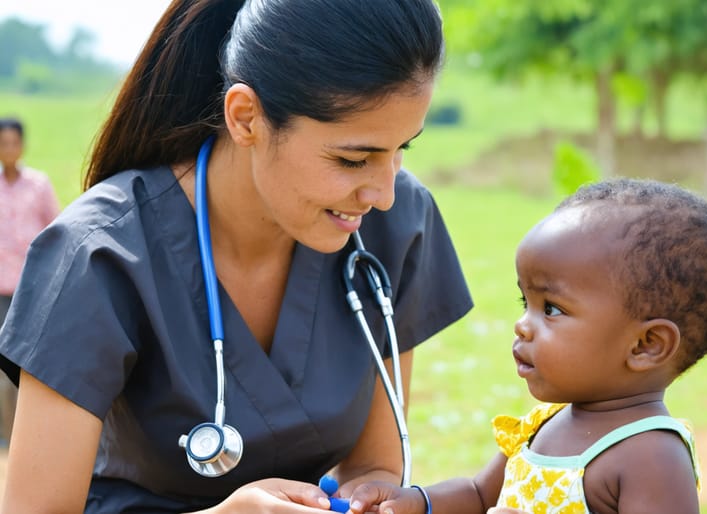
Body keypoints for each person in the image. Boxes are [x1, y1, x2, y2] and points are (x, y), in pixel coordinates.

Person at [0, 0, 473, 512]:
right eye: (353, 159)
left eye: (403, 148)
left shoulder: (395, 225)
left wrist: (367, 500)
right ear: (246, 117)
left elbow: (373, 467)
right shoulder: (96, 255)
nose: (383, 193)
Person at [347, 178, 707, 514]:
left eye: (551, 309)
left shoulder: (650, 456)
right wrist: (415, 502)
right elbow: (480, 494)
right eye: (526, 303)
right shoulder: (544, 423)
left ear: (646, 345)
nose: (523, 325)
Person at [0, 116, 60, 446]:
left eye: (14, 142)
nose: (9, 149)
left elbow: (56, 231)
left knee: (22, 365)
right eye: (3, 143)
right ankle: (5, 437)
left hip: (29, 291)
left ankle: (21, 437)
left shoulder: (38, 185)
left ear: (22, 145)